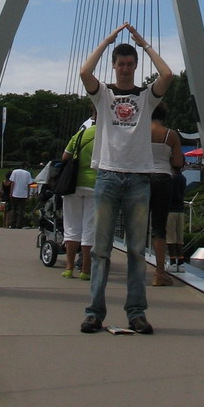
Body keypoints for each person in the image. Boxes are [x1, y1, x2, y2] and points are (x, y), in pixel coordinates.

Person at [79, 22, 172, 335]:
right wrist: (107, 41)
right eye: (121, 64)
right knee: (101, 249)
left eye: (131, 65)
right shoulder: (103, 96)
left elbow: (168, 75)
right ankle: (94, 312)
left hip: (137, 180)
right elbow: (84, 72)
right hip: (107, 175)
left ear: (135, 66)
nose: (126, 69)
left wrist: (143, 43)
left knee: (135, 250)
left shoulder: (146, 99)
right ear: (115, 65)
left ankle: (137, 313)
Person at [149, 102, 184, 286]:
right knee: (159, 228)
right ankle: (159, 273)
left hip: (142, 178)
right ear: (163, 116)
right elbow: (178, 162)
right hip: (163, 179)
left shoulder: (140, 132)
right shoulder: (171, 135)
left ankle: (135, 270)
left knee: (136, 226)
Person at [60, 116, 97, 280]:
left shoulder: (81, 134)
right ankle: (85, 269)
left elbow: (65, 157)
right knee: (90, 228)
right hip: (96, 185)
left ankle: (69, 267)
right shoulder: (109, 135)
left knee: (72, 227)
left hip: (73, 184)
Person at [166, 169, 187, 272]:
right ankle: (181, 262)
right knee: (180, 238)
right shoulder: (183, 178)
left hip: (170, 210)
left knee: (170, 237)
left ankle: (173, 261)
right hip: (181, 210)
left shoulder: (170, 179)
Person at [9, 163, 32, 229]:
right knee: (21, 210)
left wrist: (11, 192)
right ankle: (19, 225)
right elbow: (28, 185)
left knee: (14, 209)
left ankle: (12, 224)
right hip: (23, 194)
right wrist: (28, 195)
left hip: (15, 193)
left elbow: (12, 183)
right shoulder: (27, 173)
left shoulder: (14, 172)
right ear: (25, 167)